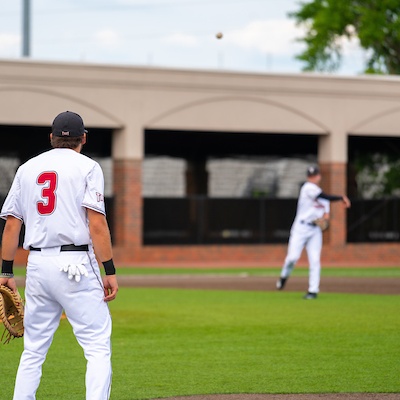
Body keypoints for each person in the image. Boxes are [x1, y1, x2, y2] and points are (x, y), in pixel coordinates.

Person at [0, 111, 118, 400]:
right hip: (75, 265)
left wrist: (5, 272)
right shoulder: (88, 167)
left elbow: (12, 224)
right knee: (97, 346)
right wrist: (110, 270)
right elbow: (97, 223)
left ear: (51, 138)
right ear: (84, 138)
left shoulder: (27, 168)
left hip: (38, 265)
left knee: (33, 349)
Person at [276, 165, 351, 299]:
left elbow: (326, 216)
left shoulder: (323, 198)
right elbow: (324, 196)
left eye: (314, 175)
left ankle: (313, 291)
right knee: (292, 258)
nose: (313, 178)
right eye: (310, 176)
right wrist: (341, 197)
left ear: (318, 176)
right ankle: (283, 277)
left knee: (315, 260)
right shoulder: (307, 188)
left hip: (314, 231)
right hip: (300, 228)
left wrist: (324, 222)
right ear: (308, 177)